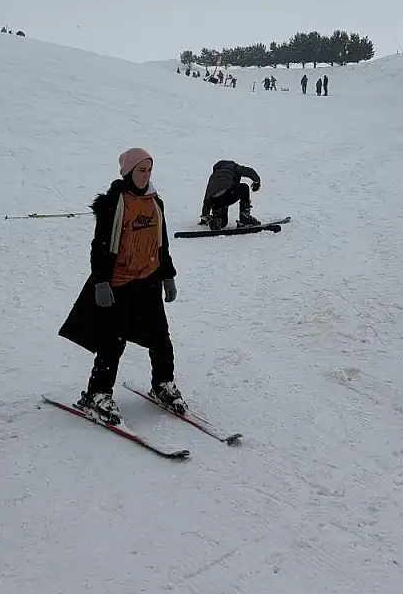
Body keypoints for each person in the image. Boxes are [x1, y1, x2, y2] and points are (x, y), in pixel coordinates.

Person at [58, 148, 183, 424]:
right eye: (141, 170)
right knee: (112, 341)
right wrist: (101, 282)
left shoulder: (155, 203)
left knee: (160, 337)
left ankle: (163, 384)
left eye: (149, 170)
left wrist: (168, 276)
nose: (146, 175)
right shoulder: (113, 203)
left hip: (148, 281)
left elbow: (161, 244)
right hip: (119, 283)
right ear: (128, 172)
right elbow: (100, 246)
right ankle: (98, 393)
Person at [201, 160, 261, 231]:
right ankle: (245, 218)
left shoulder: (214, 176)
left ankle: (216, 220)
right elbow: (249, 171)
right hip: (226, 194)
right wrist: (257, 181)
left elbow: (207, 197)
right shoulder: (234, 167)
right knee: (244, 187)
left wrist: (204, 216)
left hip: (214, 200)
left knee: (223, 222)